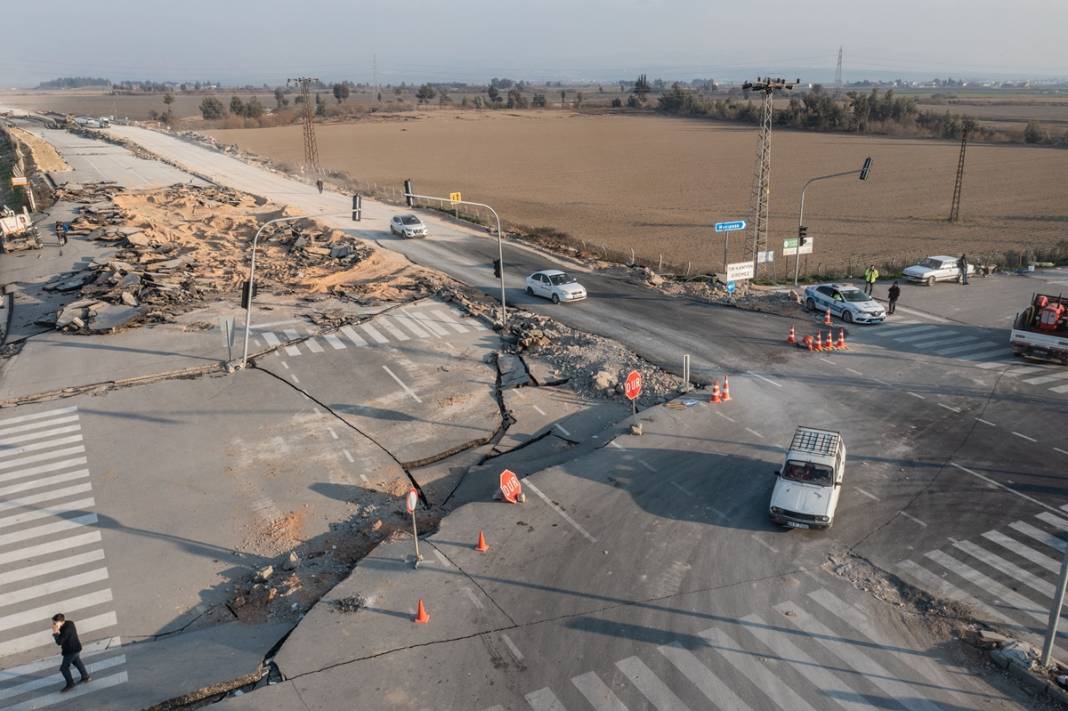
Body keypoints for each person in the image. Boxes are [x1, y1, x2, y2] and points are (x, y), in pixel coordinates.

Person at [51, 614, 90, 692]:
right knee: (77, 662)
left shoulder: (66, 629)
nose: (54, 625)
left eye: (55, 623)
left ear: (61, 622)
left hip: (71, 651)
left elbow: (59, 642)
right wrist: (59, 628)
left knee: (64, 668)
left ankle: (70, 683)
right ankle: (85, 676)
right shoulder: (70, 623)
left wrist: (55, 632)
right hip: (76, 647)